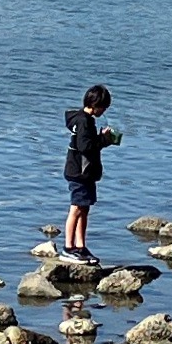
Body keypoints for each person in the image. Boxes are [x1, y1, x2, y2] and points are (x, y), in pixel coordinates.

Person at [61, 84, 119, 262]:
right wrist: (104, 140)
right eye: (104, 107)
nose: (104, 111)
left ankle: (80, 246)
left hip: (83, 171)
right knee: (77, 208)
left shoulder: (81, 119)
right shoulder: (84, 121)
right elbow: (85, 146)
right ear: (95, 105)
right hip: (79, 172)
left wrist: (99, 137)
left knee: (84, 208)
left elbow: (85, 142)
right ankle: (68, 247)